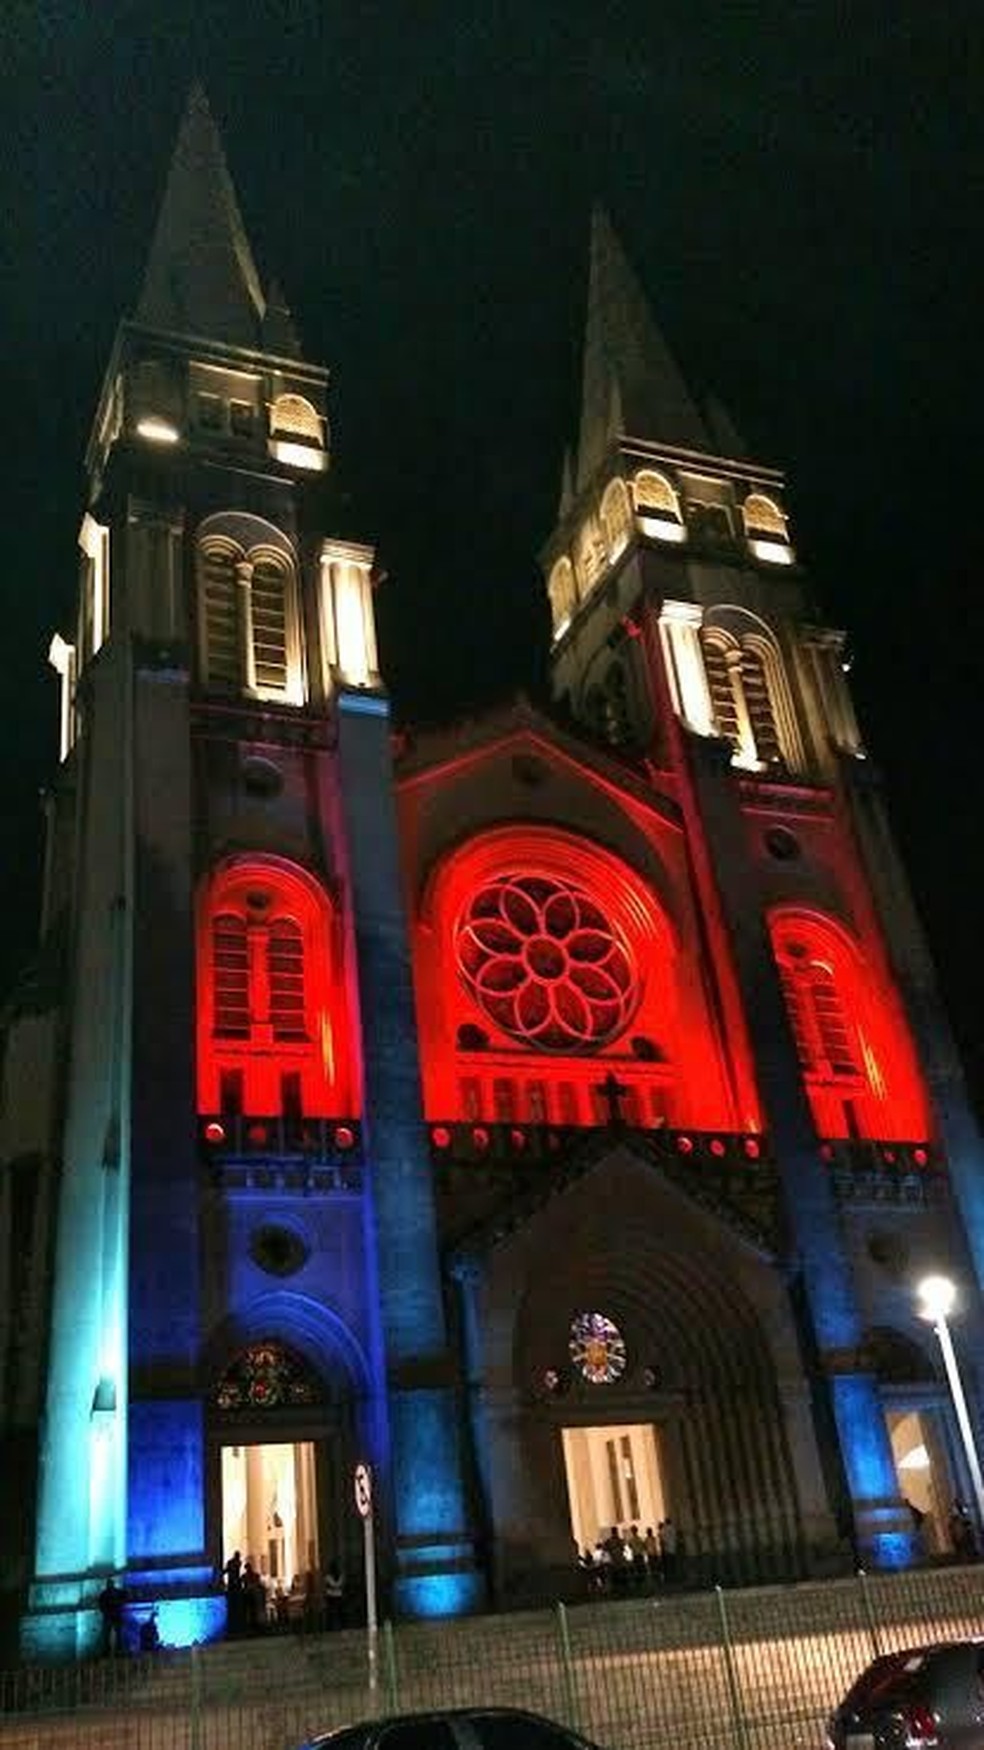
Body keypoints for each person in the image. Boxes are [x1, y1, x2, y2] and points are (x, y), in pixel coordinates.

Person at [97, 1576, 127, 1656]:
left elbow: (124, 1599)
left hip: (114, 1616)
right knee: (108, 1635)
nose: (109, 1585)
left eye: (110, 1584)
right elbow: (101, 1605)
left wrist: (119, 1607)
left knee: (117, 1635)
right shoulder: (105, 1594)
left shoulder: (110, 1593)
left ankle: (117, 1650)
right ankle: (109, 1651)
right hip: (111, 1616)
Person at [659, 1516, 679, 1584]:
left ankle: (670, 1578)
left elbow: (662, 1540)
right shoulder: (673, 1528)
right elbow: (675, 1537)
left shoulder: (664, 1530)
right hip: (673, 1548)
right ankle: (675, 1577)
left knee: (668, 1565)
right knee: (673, 1564)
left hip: (667, 1549)